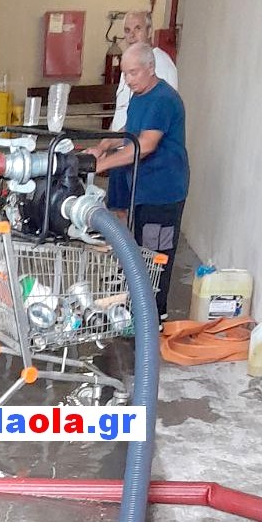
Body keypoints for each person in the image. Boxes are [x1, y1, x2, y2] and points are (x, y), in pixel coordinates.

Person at [86, 44, 189, 320]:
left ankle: (155, 316)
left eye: (133, 73)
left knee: (156, 254)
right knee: (141, 248)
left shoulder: (163, 99)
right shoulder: (139, 96)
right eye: (125, 74)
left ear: (150, 68)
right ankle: (138, 308)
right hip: (142, 189)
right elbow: (130, 132)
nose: (128, 80)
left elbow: (145, 144)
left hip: (163, 192)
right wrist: (104, 145)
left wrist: (102, 165)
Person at [94, 11, 179, 213]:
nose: (131, 34)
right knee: (119, 212)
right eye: (127, 30)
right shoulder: (136, 81)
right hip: (125, 156)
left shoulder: (159, 78)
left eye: (138, 28)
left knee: (144, 226)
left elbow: (148, 140)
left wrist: (102, 164)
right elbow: (131, 127)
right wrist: (104, 145)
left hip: (153, 175)